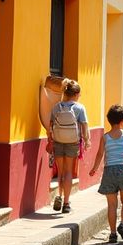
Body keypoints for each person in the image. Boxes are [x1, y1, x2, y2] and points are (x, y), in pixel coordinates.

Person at [88, 105, 123, 243]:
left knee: (112, 205)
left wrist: (94, 168)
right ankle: (122, 224)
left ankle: (112, 234)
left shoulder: (105, 137)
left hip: (109, 171)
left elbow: (100, 154)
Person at [50, 78, 89, 214]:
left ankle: (59, 196)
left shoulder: (56, 107)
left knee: (60, 172)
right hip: (72, 142)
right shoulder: (79, 108)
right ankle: (66, 203)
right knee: (68, 172)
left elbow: (50, 126)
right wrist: (87, 140)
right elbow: (84, 125)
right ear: (76, 94)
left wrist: (50, 141)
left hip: (58, 141)